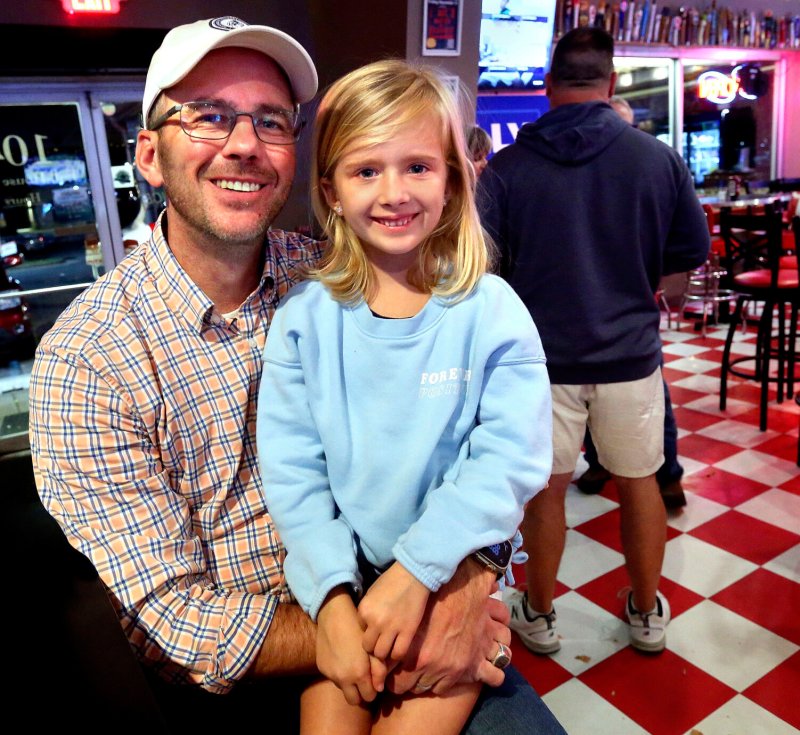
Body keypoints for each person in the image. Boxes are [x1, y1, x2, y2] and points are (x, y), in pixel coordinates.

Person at [28, 16, 565, 733]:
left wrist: (469, 577)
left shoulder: (335, 274)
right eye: (209, 117)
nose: (244, 143)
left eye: (271, 120)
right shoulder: (87, 360)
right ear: (150, 155)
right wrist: (359, 625)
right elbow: (175, 618)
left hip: (419, 590)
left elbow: (490, 444)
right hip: (256, 665)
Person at [256, 59, 553, 734]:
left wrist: (417, 572)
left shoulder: (492, 312)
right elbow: (293, 472)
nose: (394, 191)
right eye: (366, 170)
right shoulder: (304, 321)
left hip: (446, 571)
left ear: (453, 179)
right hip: (341, 578)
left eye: (417, 166)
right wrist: (332, 599)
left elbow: (510, 456)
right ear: (330, 189)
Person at [480, 27, 709, 656]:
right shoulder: (655, 160)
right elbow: (684, 264)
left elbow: (483, 272)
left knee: (547, 487)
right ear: (610, 86)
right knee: (641, 481)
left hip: (539, 360)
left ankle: (541, 611)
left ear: (547, 87)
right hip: (629, 357)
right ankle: (644, 613)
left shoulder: (506, 168)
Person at [577, 91, 687, 509]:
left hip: (625, 322)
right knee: (591, 391)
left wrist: (652, 285)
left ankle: (669, 472)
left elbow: (682, 247)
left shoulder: (649, 163)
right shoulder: (648, 161)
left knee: (652, 397)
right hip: (599, 320)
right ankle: (602, 462)